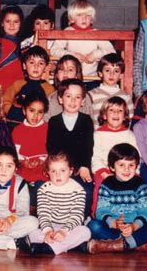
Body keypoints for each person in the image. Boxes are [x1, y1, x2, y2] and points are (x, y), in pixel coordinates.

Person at [87, 143, 147, 254]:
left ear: (136, 166)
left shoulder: (140, 184)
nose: (126, 169)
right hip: (114, 228)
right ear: (112, 167)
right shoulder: (106, 184)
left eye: (131, 165)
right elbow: (101, 210)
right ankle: (136, 244)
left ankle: (117, 245)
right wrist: (114, 223)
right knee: (93, 226)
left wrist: (134, 226)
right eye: (121, 165)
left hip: (135, 228)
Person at [46, 78, 94, 217]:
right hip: (60, 168)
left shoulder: (86, 120)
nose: (73, 101)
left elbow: (88, 146)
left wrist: (84, 166)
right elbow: (52, 147)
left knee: (86, 190)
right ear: (60, 99)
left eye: (77, 97)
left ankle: (82, 219)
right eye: (68, 96)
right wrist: (62, 169)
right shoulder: (54, 121)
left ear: (83, 101)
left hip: (81, 168)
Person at [29, 151, 91, 255]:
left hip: (70, 228)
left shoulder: (78, 190)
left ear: (70, 171)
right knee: (32, 233)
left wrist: (63, 231)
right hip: (51, 226)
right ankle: (68, 246)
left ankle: (48, 248)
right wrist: (48, 231)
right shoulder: (43, 189)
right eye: (53, 171)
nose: (58, 175)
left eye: (62, 170)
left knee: (85, 231)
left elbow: (77, 215)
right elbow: (43, 214)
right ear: (48, 172)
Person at [51, 0, 115, 90]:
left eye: (88, 15)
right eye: (79, 15)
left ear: (92, 19)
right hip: (71, 79)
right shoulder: (67, 32)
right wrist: (72, 55)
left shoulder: (97, 34)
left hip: (93, 79)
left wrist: (95, 54)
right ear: (71, 18)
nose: (84, 18)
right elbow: (54, 50)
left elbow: (111, 51)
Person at [91, 96, 138, 214]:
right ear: (104, 115)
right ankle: (99, 212)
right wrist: (103, 172)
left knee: (137, 186)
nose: (116, 113)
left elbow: (136, 156)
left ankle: (132, 213)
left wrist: (135, 171)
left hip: (127, 169)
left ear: (125, 116)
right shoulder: (98, 134)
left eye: (120, 111)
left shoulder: (129, 134)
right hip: (105, 171)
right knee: (101, 186)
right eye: (111, 110)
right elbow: (95, 156)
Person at [12, 92, 49, 206]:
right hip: (23, 172)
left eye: (40, 112)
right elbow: (15, 154)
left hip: (42, 174)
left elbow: (52, 153)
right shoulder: (17, 130)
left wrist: (42, 161)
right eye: (31, 111)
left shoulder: (49, 129)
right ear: (24, 111)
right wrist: (23, 162)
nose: (35, 116)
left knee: (41, 189)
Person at [3, 46, 55, 127]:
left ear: (45, 67)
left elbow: (50, 109)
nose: (36, 66)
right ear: (24, 65)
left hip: (37, 125)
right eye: (31, 62)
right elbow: (6, 99)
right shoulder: (18, 84)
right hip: (15, 124)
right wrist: (10, 112)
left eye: (41, 63)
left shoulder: (49, 88)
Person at [88, 53, 133, 129]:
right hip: (98, 137)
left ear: (121, 75)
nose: (111, 74)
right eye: (107, 70)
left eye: (116, 71)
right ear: (100, 73)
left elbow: (128, 122)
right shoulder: (91, 95)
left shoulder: (126, 97)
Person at [44, 54, 92, 122]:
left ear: (76, 75)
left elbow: (89, 122)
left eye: (70, 70)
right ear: (57, 75)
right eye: (62, 69)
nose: (65, 72)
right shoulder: (51, 98)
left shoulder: (85, 97)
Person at [0, 5, 25, 92]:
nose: (12, 25)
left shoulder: (24, 43)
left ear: (21, 23)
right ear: (2, 23)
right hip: (0, 87)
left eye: (16, 22)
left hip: (18, 87)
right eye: (8, 21)